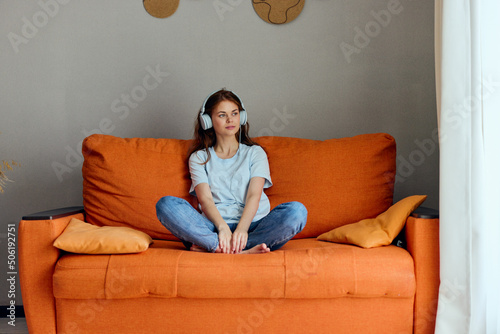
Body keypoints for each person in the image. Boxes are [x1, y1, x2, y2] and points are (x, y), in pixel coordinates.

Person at [156, 89, 307, 254]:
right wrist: (222, 228)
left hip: (253, 226)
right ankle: (237, 249)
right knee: (166, 205)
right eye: (222, 115)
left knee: (297, 211)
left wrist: (242, 229)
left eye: (234, 113)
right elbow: (205, 199)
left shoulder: (255, 153)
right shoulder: (199, 157)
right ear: (207, 121)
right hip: (214, 227)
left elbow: (253, 196)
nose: (230, 119)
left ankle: (214, 247)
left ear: (241, 117)